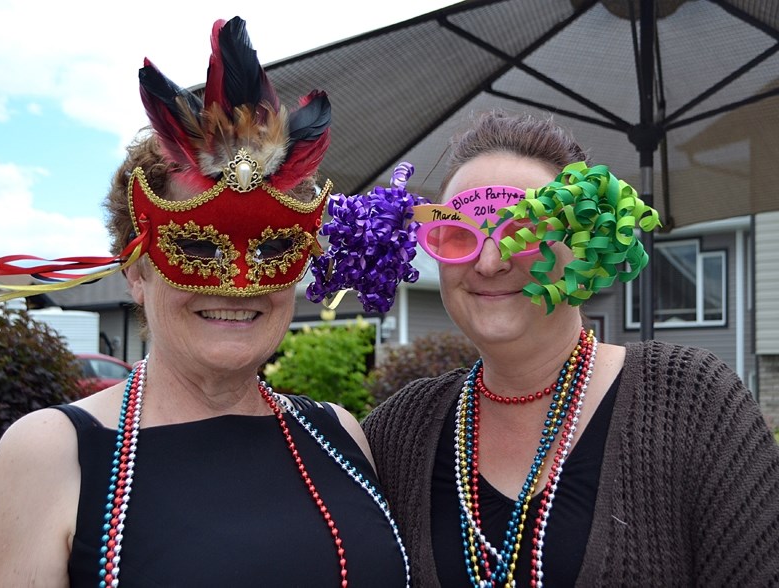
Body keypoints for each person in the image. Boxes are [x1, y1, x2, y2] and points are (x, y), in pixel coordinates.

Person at [0, 17, 408, 587]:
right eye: (198, 245)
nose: (237, 282)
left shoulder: (341, 434)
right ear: (136, 271)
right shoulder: (49, 455)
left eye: (273, 246)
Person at [314, 109, 779, 587]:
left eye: (527, 231)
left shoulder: (692, 401)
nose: (490, 262)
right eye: (458, 235)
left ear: (584, 244)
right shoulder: (398, 434)